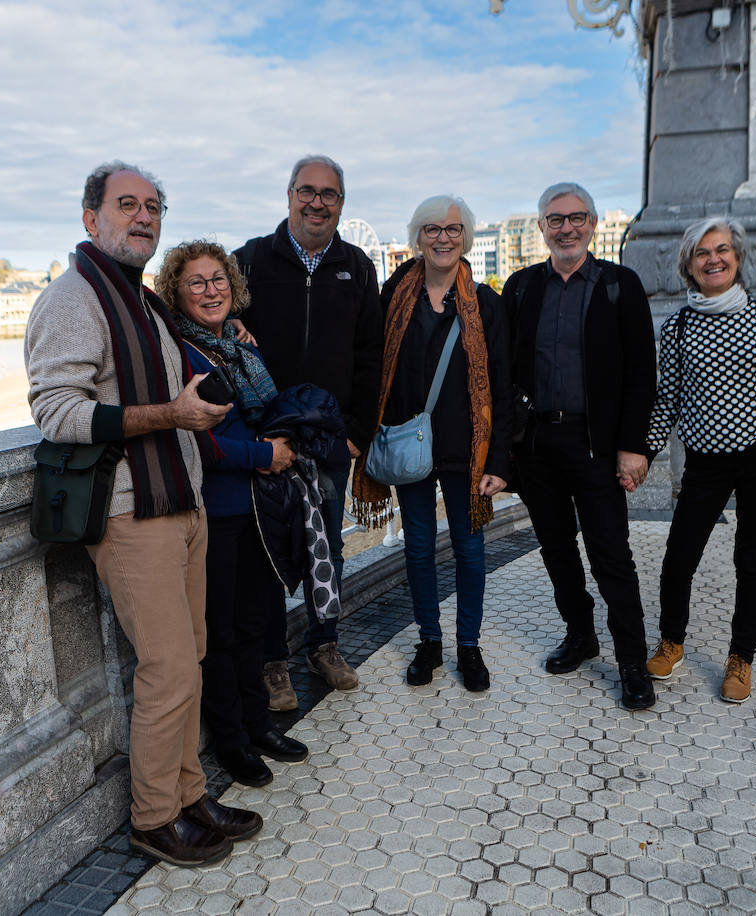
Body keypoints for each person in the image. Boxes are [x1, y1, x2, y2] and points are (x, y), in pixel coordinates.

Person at [25, 162, 260, 867]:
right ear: (90, 218)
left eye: (154, 206)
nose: (145, 217)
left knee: (188, 658)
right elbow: (55, 411)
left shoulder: (142, 299)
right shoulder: (73, 298)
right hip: (132, 511)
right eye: (127, 204)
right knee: (167, 667)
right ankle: (154, 817)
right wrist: (172, 415)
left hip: (179, 502)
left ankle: (190, 797)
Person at [153, 239, 310, 788]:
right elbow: (198, 442)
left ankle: (258, 723)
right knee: (218, 633)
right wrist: (264, 454)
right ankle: (232, 741)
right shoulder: (180, 353)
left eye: (217, 279)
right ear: (176, 290)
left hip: (260, 510)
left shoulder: (238, 345)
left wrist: (283, 436)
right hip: (216, 511)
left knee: (256, 623)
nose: (210, 290)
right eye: (196, 282)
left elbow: (268, 410)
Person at [643, 216, 756, 703]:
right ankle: (672, 640)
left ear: (736, 259)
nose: (713, 259)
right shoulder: (677, 326)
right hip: (704, 463)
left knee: (751, 560)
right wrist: (645, 454)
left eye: (721, 250)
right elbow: (666, 398)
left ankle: (742, 657)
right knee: (679, 558)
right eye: (702, 252)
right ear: (689, 265)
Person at [503, 182, 658, 710]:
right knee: (557, 551)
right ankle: (580, 634)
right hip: (539, 444)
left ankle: (632, 663)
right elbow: (503, 371)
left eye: (575, 218)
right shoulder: (522, 288)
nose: (565, 228)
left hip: (597, 445)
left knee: (611, 555)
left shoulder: (620, 284)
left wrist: (633, 447)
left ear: (591, 224)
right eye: (554, 219)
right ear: (541, 227)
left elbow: (642, 372)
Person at [234, 155, 383, 705]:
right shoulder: (249, 260)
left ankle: (324, 645)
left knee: (330, 546)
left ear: (341, 203)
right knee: (270, 547)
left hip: (329, 436)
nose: (317, 202)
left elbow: (371, 356)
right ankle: (275, 662)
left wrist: (358, 431)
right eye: (308, 191)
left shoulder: (357, 266)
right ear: (289, 194)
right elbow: (206, 318)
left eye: (330, 194)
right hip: (268, 433)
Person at [352, 195, 513, 692]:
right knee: (418, 548)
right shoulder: (396, 293)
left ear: (465, 236)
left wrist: (502, 459)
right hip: (410, 445)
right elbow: (366, 357)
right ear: (417, 237)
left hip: (468, 452)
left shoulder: (486, 302)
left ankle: (469, 646)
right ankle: (429, 643)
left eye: (452, 228)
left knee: (469, 549)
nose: (442, 237)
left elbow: (504, 384)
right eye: (431, 229)